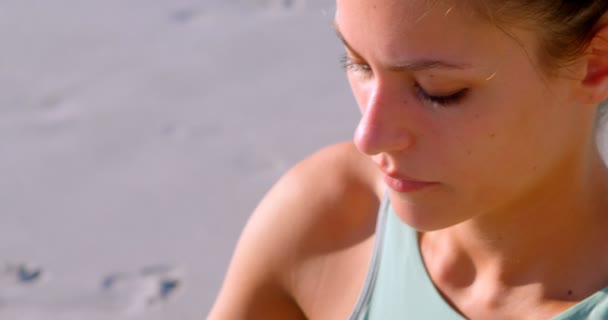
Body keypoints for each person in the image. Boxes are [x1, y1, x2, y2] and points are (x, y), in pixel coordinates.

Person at [209, 0, 608, 318]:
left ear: (595, 64)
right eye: (358, 64)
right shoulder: (330, 218)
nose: (369, 137)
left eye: (437, 90)